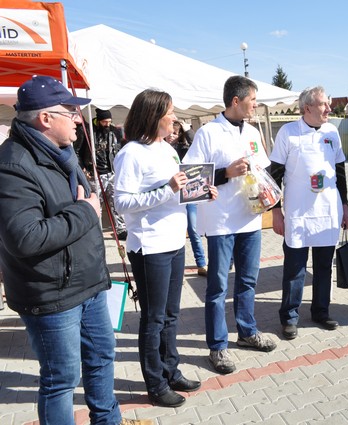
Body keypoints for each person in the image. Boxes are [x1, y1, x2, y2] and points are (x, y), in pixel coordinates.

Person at [0, 75, 150, 425]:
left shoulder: (62, 152)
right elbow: (25, 238)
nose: (79, 119)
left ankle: (108, 421)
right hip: (52, 294)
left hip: (89, 283)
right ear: (45, 118)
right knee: (61, 379)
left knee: (101, 358)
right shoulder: (13, 166)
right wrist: (84, 213)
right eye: (70, 111)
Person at [114, 89, 206, 408]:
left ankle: (171, 371)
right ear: (154, 116)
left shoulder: (167, 149)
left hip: (174, 241)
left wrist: (200, 192)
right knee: (153, 319)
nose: (175, 118)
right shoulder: (131, 153)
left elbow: (176, 191)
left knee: (171, 315)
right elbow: (122, 203)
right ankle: (155, 383)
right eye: (170, 113)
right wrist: (168, 189)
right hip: (150, 245)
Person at [183, 75, 277, 375]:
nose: (256, 105)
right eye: (253, 100)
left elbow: (263, 168)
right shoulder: (208, 133)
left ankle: (247, 331)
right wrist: (226, 172)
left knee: (248, 281)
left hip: (250, 217)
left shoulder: (252, 131)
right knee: (218, 286)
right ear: (236, 101)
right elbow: (190, 179)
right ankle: (217, 346)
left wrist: (267, 191)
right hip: (221, 222)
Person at [269, 86, 348, 340]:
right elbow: (274, 175)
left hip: (327, 211)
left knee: (324, 266)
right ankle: (289, 317)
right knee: (295, 268)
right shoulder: (288, 132)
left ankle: (321, 311)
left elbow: (340, 172)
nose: (329, 108)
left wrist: (345, 206)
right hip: (298, 213)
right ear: (307, 108)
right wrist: (275, 211)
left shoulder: (332, 132)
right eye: (324, 104)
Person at [166, 121, 208, 277]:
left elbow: (195, 142)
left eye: (175, 133)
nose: (171, 136)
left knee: (193, 229)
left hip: (188, 194)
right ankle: (174, 267)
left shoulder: (184, 148)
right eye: (170, 133)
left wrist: (187, 130)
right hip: (170, 196)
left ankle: (201, 263)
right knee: (173, 230)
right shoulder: (161, 149)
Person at [87, 107, 128, 240]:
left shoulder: (114, 131)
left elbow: (120, 149)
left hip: (112, 172)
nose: (107, 124)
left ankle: (121, 229)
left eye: (109, 121)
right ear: (98, 121)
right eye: (104, 122)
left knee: (116, 201)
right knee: (96, 203)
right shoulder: (89, 131)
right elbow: (78, 151)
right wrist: (84, 167)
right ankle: (95, 230)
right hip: (95, 173)